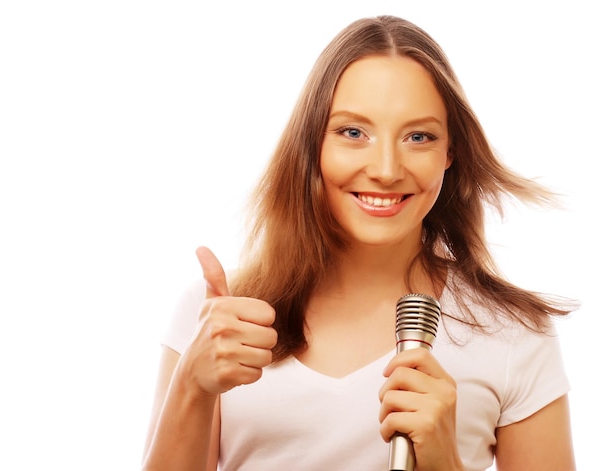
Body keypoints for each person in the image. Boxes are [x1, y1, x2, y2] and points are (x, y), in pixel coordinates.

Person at [141, 14, 578, 471]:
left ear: (451, 152)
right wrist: (192, 385)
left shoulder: (515, 336)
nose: (386, 169)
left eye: (418, 136)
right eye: (353, 132)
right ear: (313, 143)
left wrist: (445, 461)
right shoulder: (215, 313)